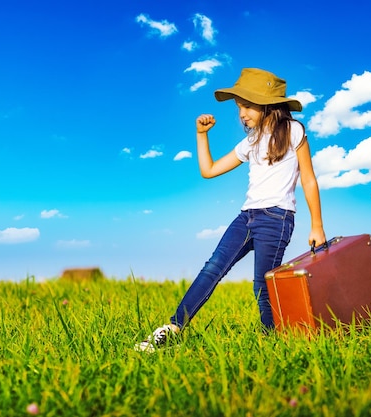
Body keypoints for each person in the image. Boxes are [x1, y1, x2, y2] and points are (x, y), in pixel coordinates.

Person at [135, 67, 326, 352]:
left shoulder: (294, 130)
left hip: (277, 217)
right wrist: (202, 135)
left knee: (262, 287)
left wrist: (317, 225)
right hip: (247, 216)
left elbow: (309, 179)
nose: (242, 113)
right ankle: (173, 328)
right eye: (239, 107)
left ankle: (271, 343)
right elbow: (209, 171)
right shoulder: (250, 142)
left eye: (247, 105)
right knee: (212, 269)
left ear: (267, 103)